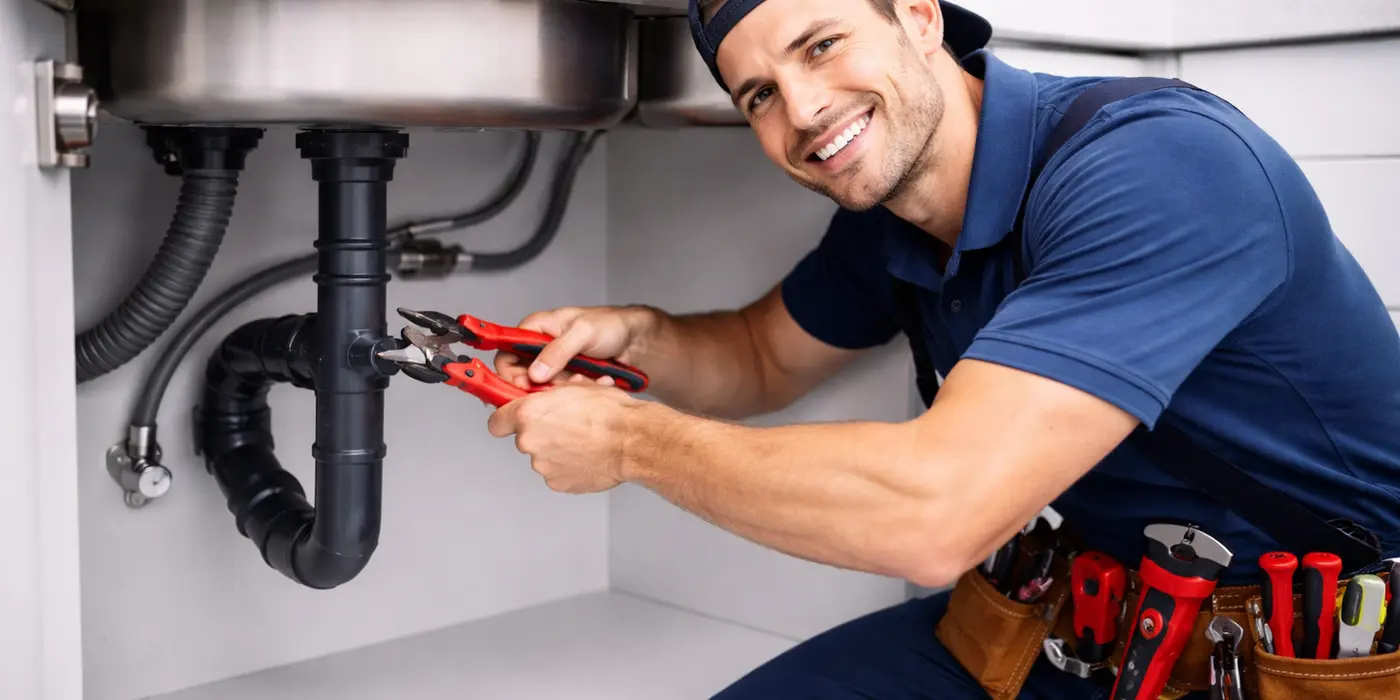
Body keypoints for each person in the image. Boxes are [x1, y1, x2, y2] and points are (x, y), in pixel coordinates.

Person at [484, 0, 1400, 696]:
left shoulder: (1157, 165)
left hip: (1311, 660)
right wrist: (630, 337)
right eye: (759, 93)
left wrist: (629, 442)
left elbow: (934, 520)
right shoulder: (895, 215)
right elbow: (761, 356)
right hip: (1079, 627)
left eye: (821, 44)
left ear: (919, 16)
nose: (801, 111)